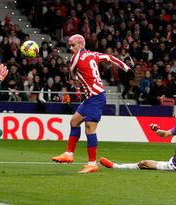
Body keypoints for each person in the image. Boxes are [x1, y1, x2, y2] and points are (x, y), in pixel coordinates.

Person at [52, 34, 132, 173]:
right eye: (70, 45)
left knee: (89, 129)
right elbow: (110, 58)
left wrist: (75, 77)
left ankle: (92, 164)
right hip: (91, 98)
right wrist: (127, 69)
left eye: (73, 45)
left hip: (96, 97)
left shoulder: (75, 58)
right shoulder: (93, 54)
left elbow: (71, 76)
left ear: (81, 45)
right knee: (74, 122)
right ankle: (69, 154)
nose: (70, 48)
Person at [100, 107, 176, 173]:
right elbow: (165, 134)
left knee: (143, 163)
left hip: (175, 166)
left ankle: (115, 166)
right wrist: (156, 130)